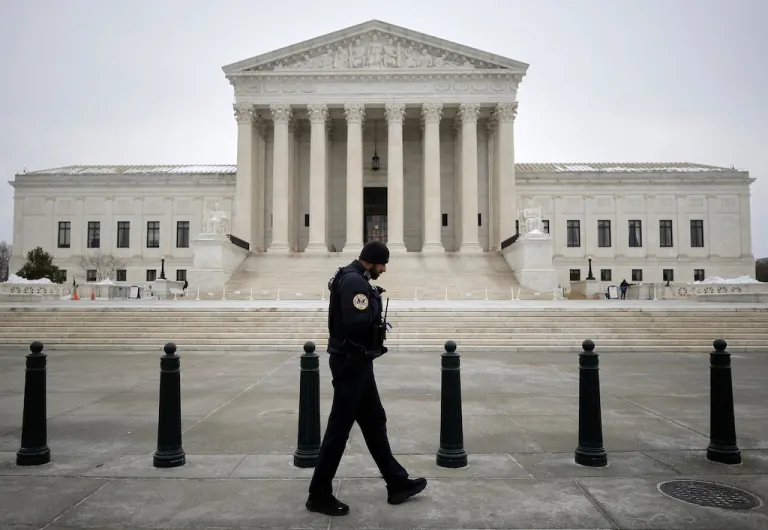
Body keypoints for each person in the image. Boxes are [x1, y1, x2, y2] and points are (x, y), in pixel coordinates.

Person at [306, 240, 427, 516]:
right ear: (371, 261)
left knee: (374, 421)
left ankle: (397, 482)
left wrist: (373, 296)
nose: (383, 269)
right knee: (339, 430)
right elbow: (356, 322)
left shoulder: (357, 279)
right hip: (350, 362)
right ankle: (319, 494)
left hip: (357, 361)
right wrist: (375, 302)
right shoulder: (354, 281)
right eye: (382, 264)